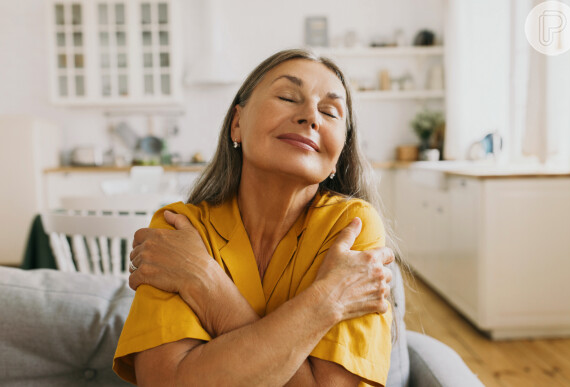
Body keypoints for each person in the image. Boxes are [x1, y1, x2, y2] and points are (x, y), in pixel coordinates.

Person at [113, 48, 401, 387]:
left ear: (338, 155)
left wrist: (205, 283)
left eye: (329, 111)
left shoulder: (353, 228)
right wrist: (329, 299)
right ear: (237, 123)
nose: (311, 116)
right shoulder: (178, 228)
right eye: (287, 96)